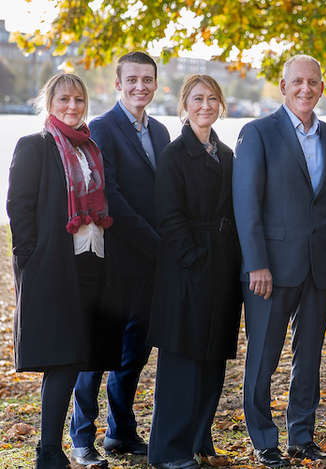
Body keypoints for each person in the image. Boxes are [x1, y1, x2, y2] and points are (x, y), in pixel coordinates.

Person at [233, 54, 326, 468]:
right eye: (297, 81)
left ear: (321, 86)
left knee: (310, 357)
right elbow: (246, 204)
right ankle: (264, 439)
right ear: (283, 86)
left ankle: (302, 436)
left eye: (312, 82)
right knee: (263, 354)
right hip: (271, 269)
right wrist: (255, 263)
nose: (305, 89)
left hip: (318, 269)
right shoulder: (258, 133)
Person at [7, 73, 120, 468]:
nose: (72, 107)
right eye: (64, 100)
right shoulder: (34, 146)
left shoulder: (90, 148)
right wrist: (30, 262)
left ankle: (59, 449)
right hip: (54, 268)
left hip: (91, 262)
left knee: (79, 356)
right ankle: (49, 453)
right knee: (62, 359)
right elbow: (19, 209)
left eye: (78, 100)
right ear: (49, 103)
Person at [70, 51, 170, 462]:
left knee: (134, 354)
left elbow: (165, 194)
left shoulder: (162, 132)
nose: (140, 87)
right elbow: (112, 195)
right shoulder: (102, 129)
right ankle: (82, 438)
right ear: (117, 84)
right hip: (115, 262)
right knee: (98, 355)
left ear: (156, 84)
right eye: (132, 80)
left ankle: (121, 432)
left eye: (147, 79)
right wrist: (155, 241)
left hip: (150, 267)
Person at [147, 75, 243, 469]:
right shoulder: (173, 155)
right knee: (182, 361)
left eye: (212, 98)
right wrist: (194, 260)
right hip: (187, 270)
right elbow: (168, 217)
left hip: (223, 267)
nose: (206, 105)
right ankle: (169, 450)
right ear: (184, 105)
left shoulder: (226, 153)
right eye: (197, 99)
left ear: (221, 104)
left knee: (212, 359)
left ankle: (201, 442)